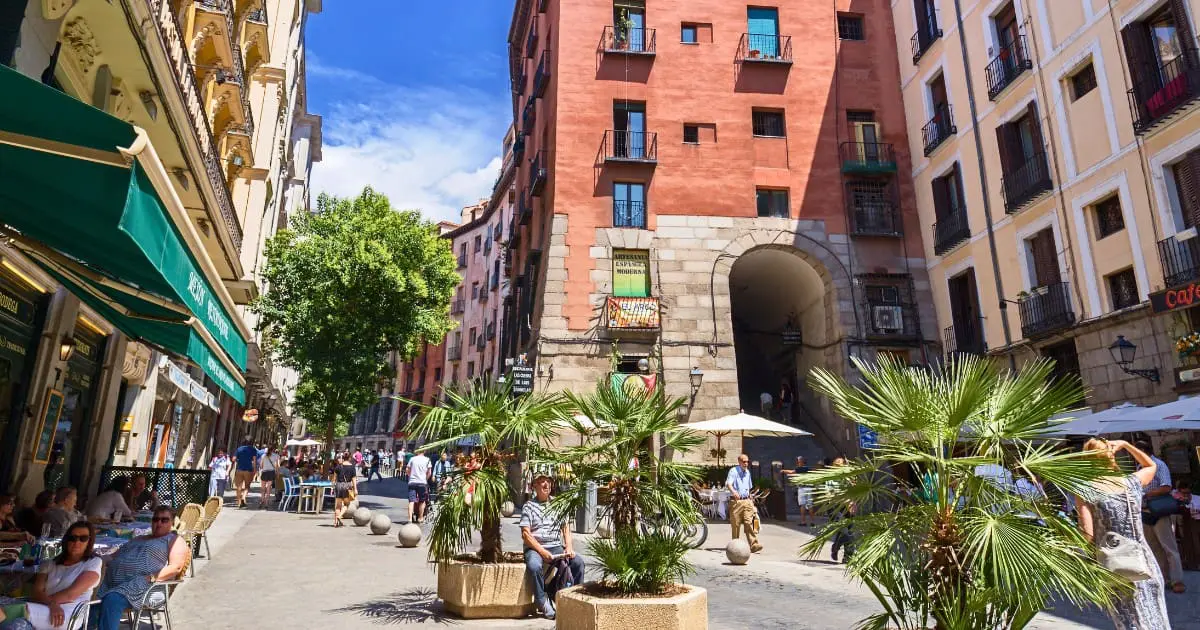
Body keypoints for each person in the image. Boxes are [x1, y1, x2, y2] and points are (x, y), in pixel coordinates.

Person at [1076, 438, 1170, 629]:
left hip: (1113, 566)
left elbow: (1087, 534)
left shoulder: (1085, 490)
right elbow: (1150, 465)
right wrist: (1126, 444)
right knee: (1157, 621)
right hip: (1145, 564)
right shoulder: (1132, 483)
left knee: (1130, 624)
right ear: (1112, 457)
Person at [95, 506, 188, 630]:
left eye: (164, 520)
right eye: (155, 519)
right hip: (114, 582)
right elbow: (112, 557)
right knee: (92, 602)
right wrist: (93, 558)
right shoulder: (139, 538)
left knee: (112, 600)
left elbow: (175, 568)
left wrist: (150, 578)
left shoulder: (174, 540)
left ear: (172, 522)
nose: (158, 523)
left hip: (146, 586)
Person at [0, 521, 102, 630]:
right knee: (11, 616)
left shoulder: (93, 563)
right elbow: (37, 592)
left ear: (89, 541)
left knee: (14, 610)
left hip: (66, 614)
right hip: (43, 606)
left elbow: (70, 595)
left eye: (83, 538)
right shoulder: (49, 563)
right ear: (67, 540)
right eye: (73, 538)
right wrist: (51, 604)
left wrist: (49, 603)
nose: (77, 542)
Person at [520, 475, 584, 621]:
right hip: (535, 548)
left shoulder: (557, 503)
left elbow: (566, 527)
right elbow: (525, 535)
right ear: (534, 486)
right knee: (534, 565)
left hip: (555, 546)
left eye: (548, 481)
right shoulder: (528, 506)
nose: (546, 484)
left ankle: (574, 598)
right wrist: (542, 552)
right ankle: (542, 602)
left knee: (578, 563)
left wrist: (569, 547)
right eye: (542, 481)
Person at [1133, 440, 1186, 594]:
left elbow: (1166, 486)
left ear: (1143, 451)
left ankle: (1177, 580)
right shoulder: (1139, 468)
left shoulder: (1159, 465)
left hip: (1159, 509)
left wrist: (1147, 494)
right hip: (1145, 510)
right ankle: (1163, 578)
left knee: (1169, 548)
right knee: (1154, 547)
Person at [726, 453, 762, 553]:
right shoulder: (734, 471)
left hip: (747, 501)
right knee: (736, 525)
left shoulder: (748, 472)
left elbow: (749, 488)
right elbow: (728, 484)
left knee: (749, 522)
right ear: (739, 462)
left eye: (747, 461)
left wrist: (751, 498)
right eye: (744, 461)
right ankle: (735, 546)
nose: (746, 463)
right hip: (736, 502)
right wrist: (734, 491)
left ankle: (753, 544)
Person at [783, 456, 815, 527]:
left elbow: (791, 472)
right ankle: (812, 521)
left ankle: (803, 521)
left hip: (802, 489)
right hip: (809, 488)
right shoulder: (809, 469)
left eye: (798, 461)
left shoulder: (799, 469)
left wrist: (783, 470)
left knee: (802, 505)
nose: (797, 463)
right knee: (810, 505)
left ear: (801, 462)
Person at [331, 454, 358, 528]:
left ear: (343, 458)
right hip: (347, 486)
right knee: (347, 504)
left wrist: (332, 487)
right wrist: (355, 489)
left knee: (338, 506)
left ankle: (335, 523)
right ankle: (339, 516)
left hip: (338, 485)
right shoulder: (352, 467)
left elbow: (334, 479)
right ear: (349, 458)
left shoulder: (338, 466)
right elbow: (354, 479)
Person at [406, 449, 432, 524]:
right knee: (422, 501)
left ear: (417, 451)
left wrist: (410, 476)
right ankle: (420, 518)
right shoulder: (427, 460)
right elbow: (429, 473)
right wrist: (425, 479)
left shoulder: (412, 459)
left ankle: (410, 519)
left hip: (412, 482)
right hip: (422, 483)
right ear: (424, 451)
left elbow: (407, 469)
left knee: (411, 501)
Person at [233, 438, 259, 509]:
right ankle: (243, 498)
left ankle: (238, 503)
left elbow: (233, 459)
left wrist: (239, 460)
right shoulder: (253, 449)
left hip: (239, 469)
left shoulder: (239, 449)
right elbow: (254, 461)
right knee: (247, 486)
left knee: (238, 487)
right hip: (248, 470)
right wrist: (254, 470)